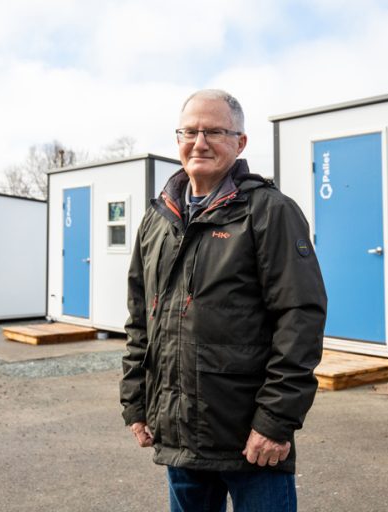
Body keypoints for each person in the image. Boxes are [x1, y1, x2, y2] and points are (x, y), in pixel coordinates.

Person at [120, 89, 327, 512]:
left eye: (215, 131)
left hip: (251, 441)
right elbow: (141, 320)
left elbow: (299, 318)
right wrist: (136, 402)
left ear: (240, 142)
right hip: (178, 434)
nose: (200, 142)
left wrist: (275, 422)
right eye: (190, 131)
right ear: (177, 139)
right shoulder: (157, 219)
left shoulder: (269, 211)